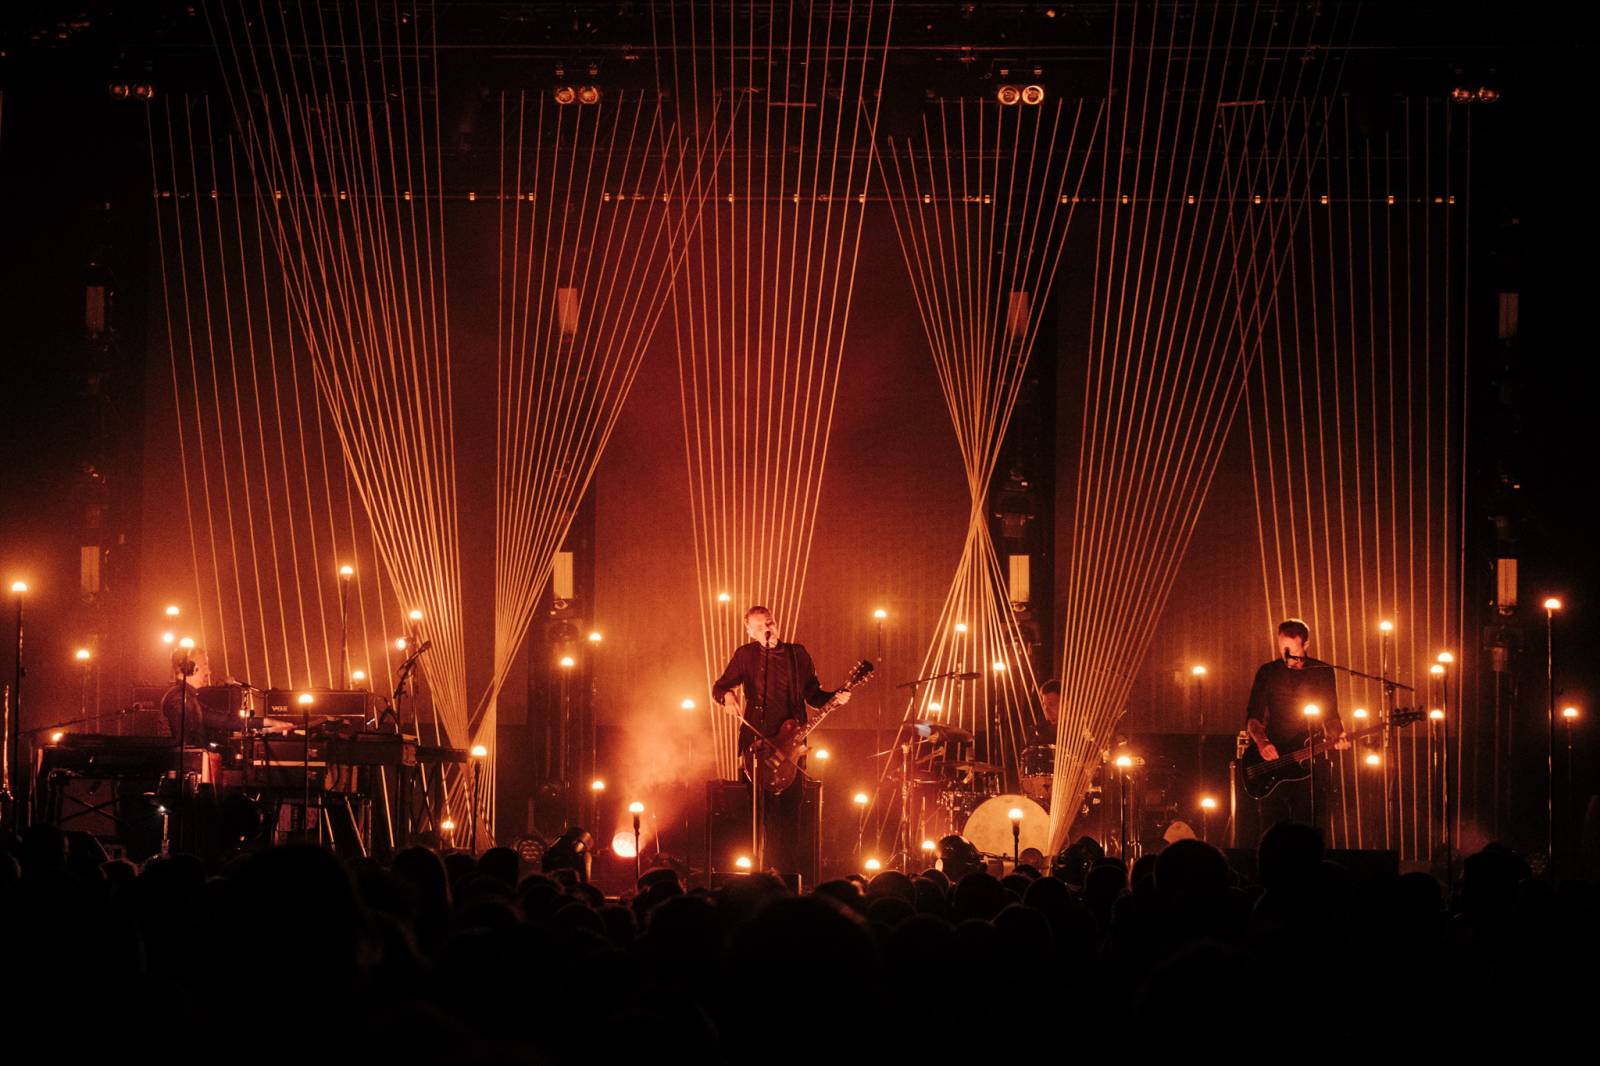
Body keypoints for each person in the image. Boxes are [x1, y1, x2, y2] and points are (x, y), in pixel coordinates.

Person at [712, 605, 849, 878]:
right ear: (750, 630)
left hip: (793, 743)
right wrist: (727, 697)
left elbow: (813, 695)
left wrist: (836, 697)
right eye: (760, 625)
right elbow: (720, 686)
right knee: (758, 808)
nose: (767, 628)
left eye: (770, 622)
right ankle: (756, 872)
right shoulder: (746, 655)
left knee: (791, 805)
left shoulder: (797, 654)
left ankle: (787, 872)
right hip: (757, 743)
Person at [1244, 618, 1346, 829]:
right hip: (1274, 759)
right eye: (1282, 648)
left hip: (1309, 758)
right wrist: (1263, 743)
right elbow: (1253, 717)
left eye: (1291, 648)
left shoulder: (1322, 671)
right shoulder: (1268, 672)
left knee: (1308, 822)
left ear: (1306, 645)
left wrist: (1338, 734)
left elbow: (1330, 714)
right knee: (1273, 825)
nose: (1286, 654)